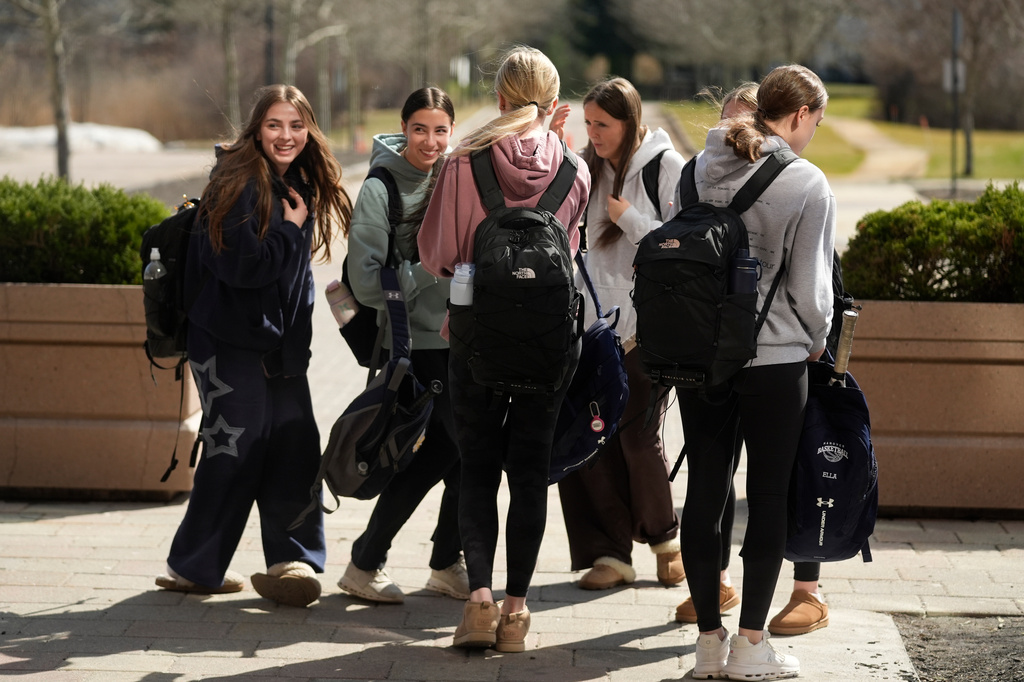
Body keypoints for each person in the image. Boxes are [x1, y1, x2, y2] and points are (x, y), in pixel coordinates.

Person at [418, 45, 590, 653]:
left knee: (478, 473)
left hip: (473, 344)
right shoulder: (576, 169)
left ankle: (479, 603)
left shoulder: (464, 163)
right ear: (554, 102)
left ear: (498, 99)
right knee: (529, 477)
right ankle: (518, 614)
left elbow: (437, 257)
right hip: (548, 350)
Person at [156, 84, 352, 608]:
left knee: (294, 443)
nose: (286, 136)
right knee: (235, 448)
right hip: (227, 342)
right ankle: (191, 566)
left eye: (295, 125)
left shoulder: (294, 181)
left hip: (278, 346)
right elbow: (241, 268)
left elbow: (291, 280)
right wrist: (289, 233)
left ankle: (294, 564)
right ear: (256, 129)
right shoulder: (236, 182)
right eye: (274, 125)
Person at [677, 65, 835, 680]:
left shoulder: (693, 170)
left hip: (698, 358)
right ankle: (750, 647)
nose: (814, 134)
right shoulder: (806, 182)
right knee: (767, 499)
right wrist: (817, 342)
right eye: (815, 123)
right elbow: (811, 293)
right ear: (797, 116)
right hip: (773, 361)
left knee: (704, 493)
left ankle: (708, 646)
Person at [553, 77, 685, 591]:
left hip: (644, 328)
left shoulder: (664, 167)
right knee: (587, 438)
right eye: (588, 124)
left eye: (602, 124)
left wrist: (629, 218)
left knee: (635, 436)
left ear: (629, 122)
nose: (594, 133)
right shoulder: (586, 169)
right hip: (590, 325)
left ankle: (665, 540)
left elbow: (677, 245)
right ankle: (610, 554)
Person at [338, 87, 468, 605]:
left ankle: (431, 562)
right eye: (420, 129)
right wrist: (427, 268)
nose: (430, 141)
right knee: (454, 452)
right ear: (403, 128)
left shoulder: (455, 177)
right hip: (413, 344)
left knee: (455, 456)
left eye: (440, 131)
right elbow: (367, 282)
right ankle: (372, 561)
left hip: (458, 337)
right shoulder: (380, 188)